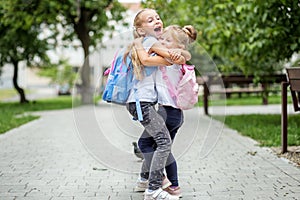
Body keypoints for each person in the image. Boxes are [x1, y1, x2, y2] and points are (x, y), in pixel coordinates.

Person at [125, 9, 189, 200]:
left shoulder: (145, 43)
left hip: (142, 102)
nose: (156, 21)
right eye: (150, 20)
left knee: (149, 142)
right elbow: (153, 59)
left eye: (158, 18)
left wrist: (178, 54)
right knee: (162, 142)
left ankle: (144, 180)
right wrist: (173, 57)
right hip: (142, 103)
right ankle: (154, 188)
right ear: (141, 30)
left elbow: (176, 56)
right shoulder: (148, 42)